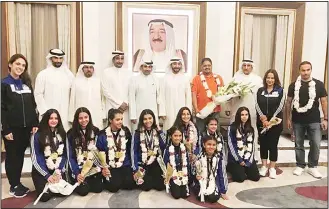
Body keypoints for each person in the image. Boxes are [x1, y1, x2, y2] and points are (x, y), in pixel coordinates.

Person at [1, 54, 39, 198]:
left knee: (20, 156)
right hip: (12, 129)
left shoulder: (26, 84)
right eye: (17, 64)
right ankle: (13, 185)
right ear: (10, 65)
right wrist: (5, 129)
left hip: (26, 129)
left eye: (23, 65)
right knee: (12, 157)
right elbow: (1, 109)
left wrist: (35, 122)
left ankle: (17, 182)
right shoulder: (3, 84)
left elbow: (32, 105)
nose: (20, 67)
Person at [286, 61, 328, 179]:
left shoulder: (318, 84)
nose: (305, 72)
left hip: (314, 119)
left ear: (311, 70)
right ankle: (300, 165)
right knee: (298, 143)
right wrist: (288, 119)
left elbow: (324, 101)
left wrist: (325, 119)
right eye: (303, 70)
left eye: (307, 70)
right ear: (300, 71)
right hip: (297, 119)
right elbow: (288, 102)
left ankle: (312, 167)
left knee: (315, 143)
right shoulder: (293, 85)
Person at [30, 109, 68, 202]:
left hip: (57, 170)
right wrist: (47, 176)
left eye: (56, 118)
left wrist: (59, 172)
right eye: (51, 118)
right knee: (45, 197)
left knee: (63, 192)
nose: (54, 120)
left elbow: (64, 156)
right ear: (46, 119)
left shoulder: (62, 134)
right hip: (42, 172)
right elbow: (36, 158)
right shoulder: (37, 136)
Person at [34, 49, 74, 131]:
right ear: (51, 58)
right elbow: (38, 94)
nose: (58, 60)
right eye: (55, 58)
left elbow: (73, 94)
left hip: (65, 114)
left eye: (60, 58)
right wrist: (45, 113)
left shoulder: (69, 75)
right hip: (48, 114)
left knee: (63, 137)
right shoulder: (43, 74)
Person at [231, 59, 263, 161]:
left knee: (252, 129)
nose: (246, 67)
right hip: (237, 108)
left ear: (252, 67)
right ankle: (236, 154)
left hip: (252, 109)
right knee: (237, 129)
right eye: (244, 65)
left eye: (248, 65)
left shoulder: (257, 79)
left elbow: (260, 96)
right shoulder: (236, 78)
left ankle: (252, 154)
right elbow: (230, 94)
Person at [96, 108, 135, 192]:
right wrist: (103, 168)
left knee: (130, 184)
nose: (120, 122)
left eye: (121, 119)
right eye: (117, 120)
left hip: (124, 163)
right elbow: (99, 153)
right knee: (113, 187)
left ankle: (120, 178)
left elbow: (129, 150)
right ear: (110, 120)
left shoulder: (126, 131)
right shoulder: (102, 134)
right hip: (110, 165)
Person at [66, 107, 103, 196]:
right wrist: (76, 173)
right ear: (76, 119)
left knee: (98, 188)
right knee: (83, 191)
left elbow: (98, 152)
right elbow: (70, 156)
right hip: (78, 168)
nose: (84, 120)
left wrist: (100, 167)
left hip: (92, 167)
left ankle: (90, 180)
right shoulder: (70, 133)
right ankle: (80, 180)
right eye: (80, 118)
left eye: (86, 117)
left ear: (89, 118)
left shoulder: (95, 130)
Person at [255, 69, 285, 179]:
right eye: (268, 78)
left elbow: (281, 106)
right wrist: (263, 119)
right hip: (262, 122)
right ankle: (264, 166)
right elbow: (257, 104)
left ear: (275, 79)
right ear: (265, 79)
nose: (270, 80)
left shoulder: (280, 90)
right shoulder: (260, 91)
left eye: (272, 78)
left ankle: (272, 167)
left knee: (273, 144)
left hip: (275, 122)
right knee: (263, 144)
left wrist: (271, 120)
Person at [131, 109, 166, 191]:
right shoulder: (137, 133)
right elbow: (133, 152)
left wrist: (160, 131)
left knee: (160, 186)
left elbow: (164, 145)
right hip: (142, 163)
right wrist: (135, 169)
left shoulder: (157, 131)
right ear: (142, 121)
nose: (148, 121)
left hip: (155, 162)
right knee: (146, 187)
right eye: (145, 119)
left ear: (153, 119)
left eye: (150, 118)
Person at [129, 60, 165, 132]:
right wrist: (133, 116)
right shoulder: (134, 80)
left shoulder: (156, 80)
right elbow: (131, 98)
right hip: (138, 112)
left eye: (149, 67)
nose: (147, 69)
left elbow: (160, 98)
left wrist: (161, 112)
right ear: (141, 67)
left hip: (153, 112)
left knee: (154, 135)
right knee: (139, 134)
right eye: (145, 66)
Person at [227, 107, 260, 183]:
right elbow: (231, 146)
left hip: (247, 156)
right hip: (236, 158)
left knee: (255, 177)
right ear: (238, 116)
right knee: (240, 178)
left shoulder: (251, 129)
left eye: (246, 114)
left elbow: (252, 146)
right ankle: (232, 167)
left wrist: (249, 160)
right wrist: (239, 159)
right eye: (242, 115)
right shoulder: (232, 128)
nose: (244, 116)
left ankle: (244, 168)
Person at [192, 135, 229, 203]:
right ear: (204, 145)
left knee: (213, 199)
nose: (211, 147)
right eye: (209, 144)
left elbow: (222, 174)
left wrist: (223, 191)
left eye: (214, 145)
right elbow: (193, 171)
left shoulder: (219, 158)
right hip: (201, 181)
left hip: (213, 181)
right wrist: (196, 176)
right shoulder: (199, 157)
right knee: (200, 197)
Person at [191, 58, 224, 133]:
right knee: (201, 132)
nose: (207, 67)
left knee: (214, 132)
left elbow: (223, 93)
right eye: (205, 65)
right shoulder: (196, 79)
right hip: (201, 111)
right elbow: (193, 94)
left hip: (215, 111)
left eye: (209, 65)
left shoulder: (218, 78)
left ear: (211, 66)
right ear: (201, 67)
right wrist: (196, 108)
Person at [69, 61, 105, 129]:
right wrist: (71, 117)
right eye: (86, 67)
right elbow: (72, 100)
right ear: (82, 69)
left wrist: (103, 115)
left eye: (91, 67)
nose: (89, 69)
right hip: (81, 114)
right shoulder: (76, 82)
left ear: (93, 69)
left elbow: (103, 99)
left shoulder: (98, 81)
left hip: (96, 113)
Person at [102, 51, 132, 129]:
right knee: (112, 131)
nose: (120, 61)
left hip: (125, 108)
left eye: (122, 59)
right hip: (112, 106)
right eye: (117, 58)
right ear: (113, 60)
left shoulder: (128, 73)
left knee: (125, 129)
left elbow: (131, 90)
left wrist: (126, 102)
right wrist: (119, 104)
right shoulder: (106, 72)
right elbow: (105, 91)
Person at [161, 57, 192, 131]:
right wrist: (162, 112)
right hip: (168, 111)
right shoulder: (164, 79)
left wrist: (188, 113)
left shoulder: (185, 79)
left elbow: (188, 97)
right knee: (169, 128)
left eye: (179, 64)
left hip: (182, 111)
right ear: (171, 65)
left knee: (181, 130)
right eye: (174, 64)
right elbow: (161, 96)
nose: (177, 66)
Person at [172, 107, 201, 182]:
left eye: (188, 114)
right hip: (181, 157)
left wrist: (195, 154)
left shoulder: (194, 127)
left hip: (193, 156)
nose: (186, 116)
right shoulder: (176, 128)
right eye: (183, 114)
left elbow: (198, 145)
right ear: (180, 116)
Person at [163, 126, 190, 199]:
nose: (178, 138)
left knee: (184, 194)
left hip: (182, 172)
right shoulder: (168, 149)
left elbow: (186, 162)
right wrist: (168, 177)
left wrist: (186, 175)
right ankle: (173, 185)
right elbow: (165, 164)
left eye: (180, 135)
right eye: (175, 136)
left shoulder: (184, 147)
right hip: (173, 173)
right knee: (177, 195)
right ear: (171, 136)